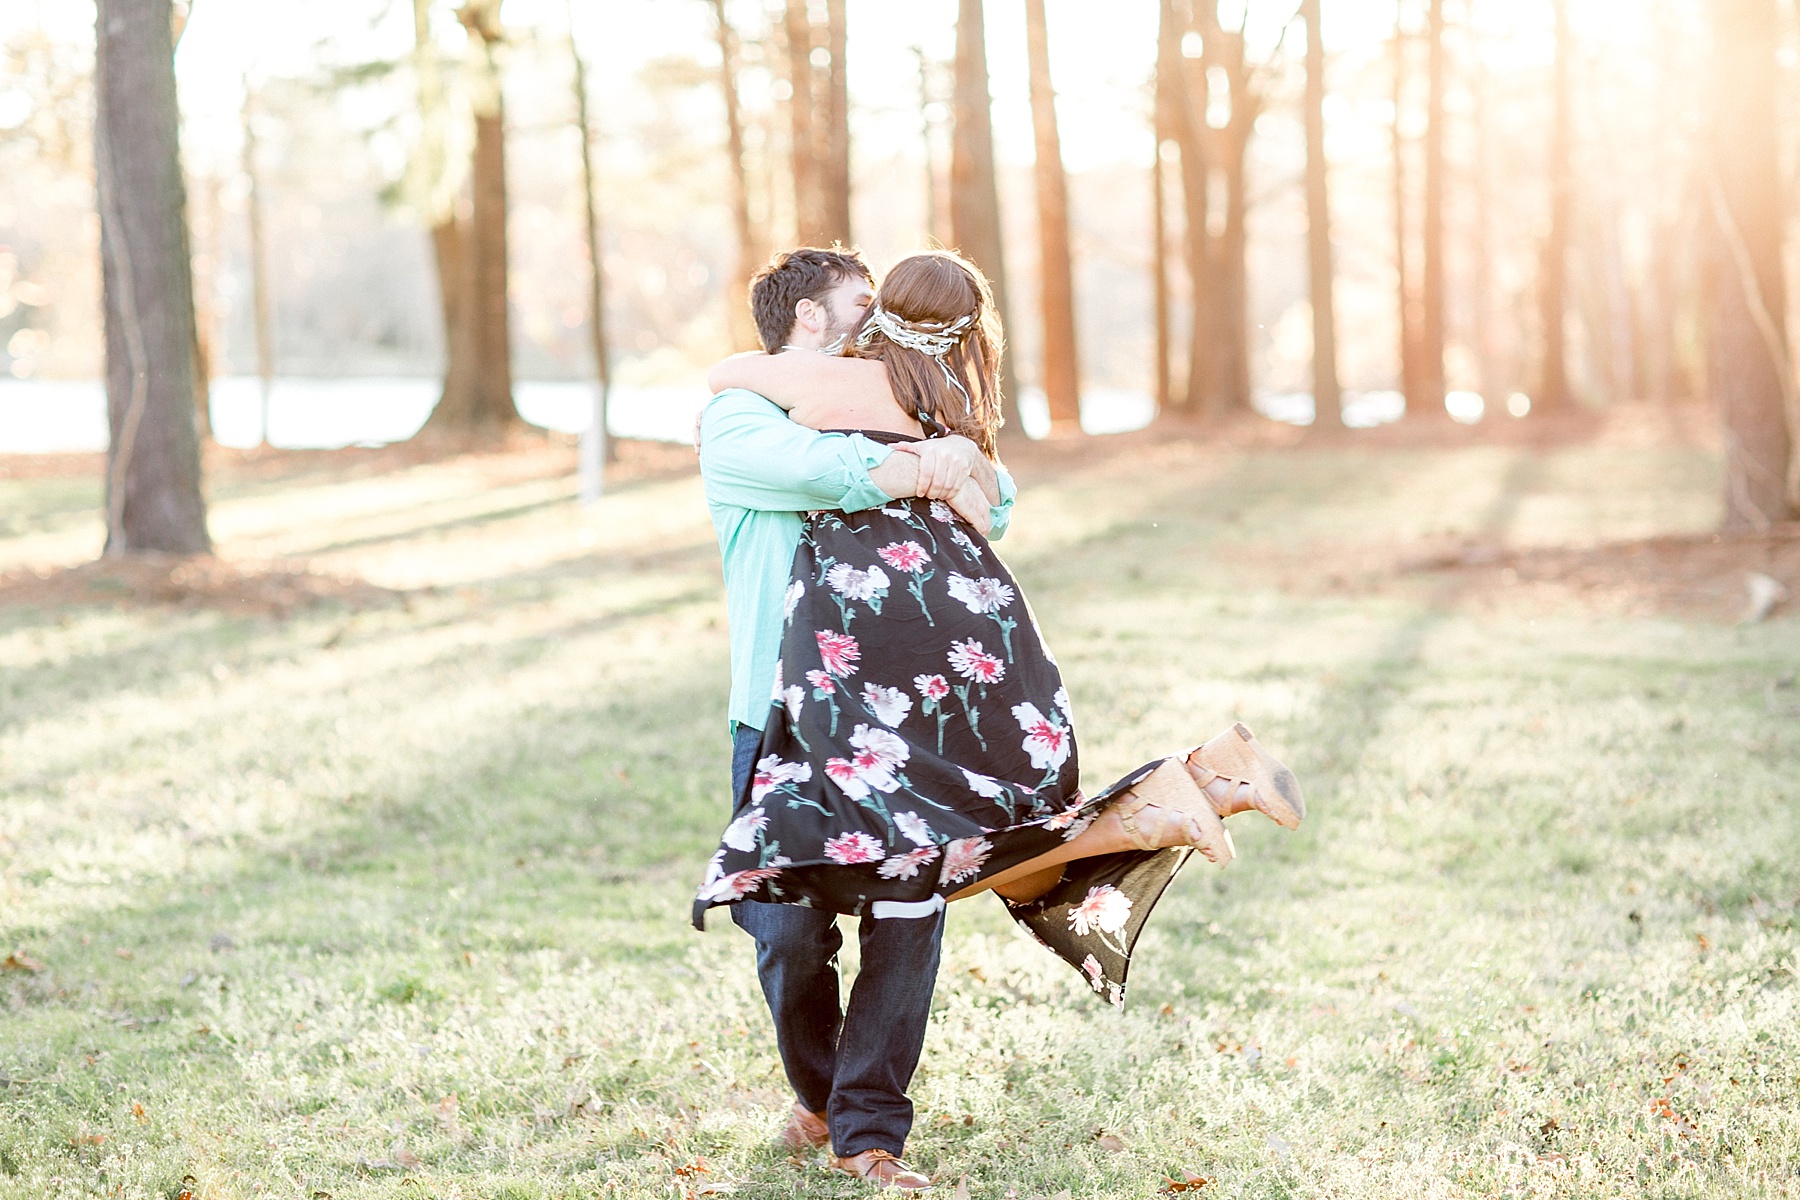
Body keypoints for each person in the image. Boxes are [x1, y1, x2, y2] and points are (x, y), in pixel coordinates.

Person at [697, 248, 1305, 1190]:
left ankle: (869, 1133)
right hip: (781, 716)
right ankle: (819, 1095)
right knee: (783, 929)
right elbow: (805, 469)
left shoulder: (893, 396)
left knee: (910, 910)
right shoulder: (740, 416)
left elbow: (1001, 500)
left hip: (909, 716)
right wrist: (929, 460)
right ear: (809, 320)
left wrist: (952, 457)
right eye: (860, 309)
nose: (880, 328)